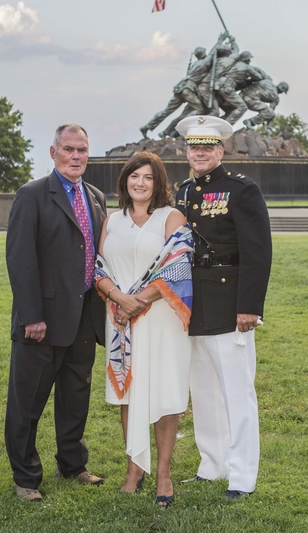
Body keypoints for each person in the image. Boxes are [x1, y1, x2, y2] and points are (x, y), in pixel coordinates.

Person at [4, 123, 108, 502]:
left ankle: (73, 463)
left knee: (75, 396)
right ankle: (26, 477)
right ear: (53, 153)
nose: (76, 156)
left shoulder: (95, 196)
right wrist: (32, 315)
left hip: (84, 316)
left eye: (82, 150)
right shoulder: (31, 195)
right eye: (68, 149)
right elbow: (20, 259)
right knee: (28, 400)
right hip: (41, 321)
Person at [174, 115, 272, 500]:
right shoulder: (183, 191)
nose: (200, 152)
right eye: (193, 146)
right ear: (187, 151)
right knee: (203, 391)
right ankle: (211, 464)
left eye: (207, 146)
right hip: (194, 304)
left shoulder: (241, 191)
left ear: (221, 150)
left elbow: (257, 251)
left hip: (231, 305)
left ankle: (242, 475)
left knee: (236, 391)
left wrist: (249, 306)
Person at [93, 152, 192, 508]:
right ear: (125, 180)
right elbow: (97, 268)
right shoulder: (112, 220)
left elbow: (178, 266)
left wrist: (140, 300)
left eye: (148, 177)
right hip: (120, 318)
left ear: (158, 183)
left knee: (164, 390)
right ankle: (134, 468)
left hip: (160, 317)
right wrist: (119, 298)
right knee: (129, 392)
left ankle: (163, 472)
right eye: (134, 176)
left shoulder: (171, 217)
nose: (140, 182)